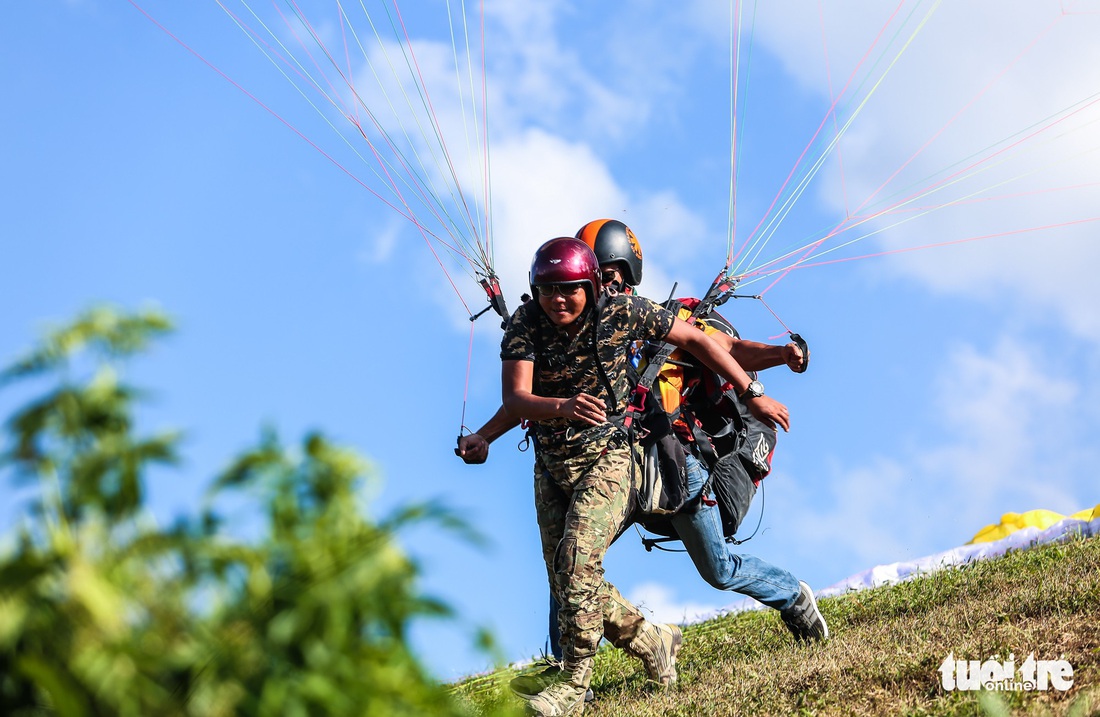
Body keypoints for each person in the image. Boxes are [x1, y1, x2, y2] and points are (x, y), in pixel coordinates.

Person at [459, 221, 829, 703]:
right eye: (596, 272)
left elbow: (721, 347)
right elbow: (522, 396)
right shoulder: (559, 331)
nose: (602, 283)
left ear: (624, 276)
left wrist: (775, 360)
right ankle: (569, 669)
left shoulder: (645, 316)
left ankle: (792, 597)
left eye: (611, 273)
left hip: (670, 464)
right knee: (569, 560)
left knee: (717, 568)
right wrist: (487, 435)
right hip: (610, 463)